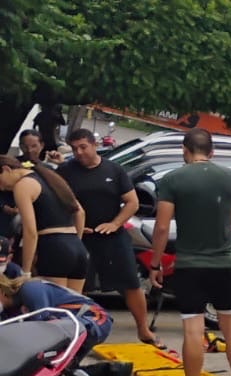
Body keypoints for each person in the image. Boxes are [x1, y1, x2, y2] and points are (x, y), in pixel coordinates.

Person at [148, 127, 231, 376]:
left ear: (184, 150)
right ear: (212, 152)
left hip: (190, 265)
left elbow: (161, 226)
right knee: (230, 325)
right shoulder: (230, 177)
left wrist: (155, 264)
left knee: (193, 329)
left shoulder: (173, 180)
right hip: (224, 263)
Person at [58, 128, 158, 344]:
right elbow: (58, 202)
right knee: (78, 287)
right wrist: (75, 226)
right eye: (74, 149)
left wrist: (115, 223)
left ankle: (143, 329)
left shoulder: (114, 170)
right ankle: (74, 334)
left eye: (83, 147)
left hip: (113, 236)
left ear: (94, 145)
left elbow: (132, 202)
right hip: (81, 236)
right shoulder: (66, 170)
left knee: (130, 283)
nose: (79, 153)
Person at [0, 272, 133, 376]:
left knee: (51, 369)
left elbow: (42, 329)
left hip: (92, 319)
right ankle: (112, 370)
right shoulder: (9, 311)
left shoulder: (29, 290)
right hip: (72, 326)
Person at [0, 155, 88, 287]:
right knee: (72, 304)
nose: (1, 188)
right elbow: (80, 212)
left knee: (52, 305)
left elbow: (30, 232)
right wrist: (76, 241)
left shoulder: (23, 185)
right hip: (77, 247)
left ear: (6, 169)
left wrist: (25, 272)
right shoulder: (50, 178)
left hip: (53, 247)